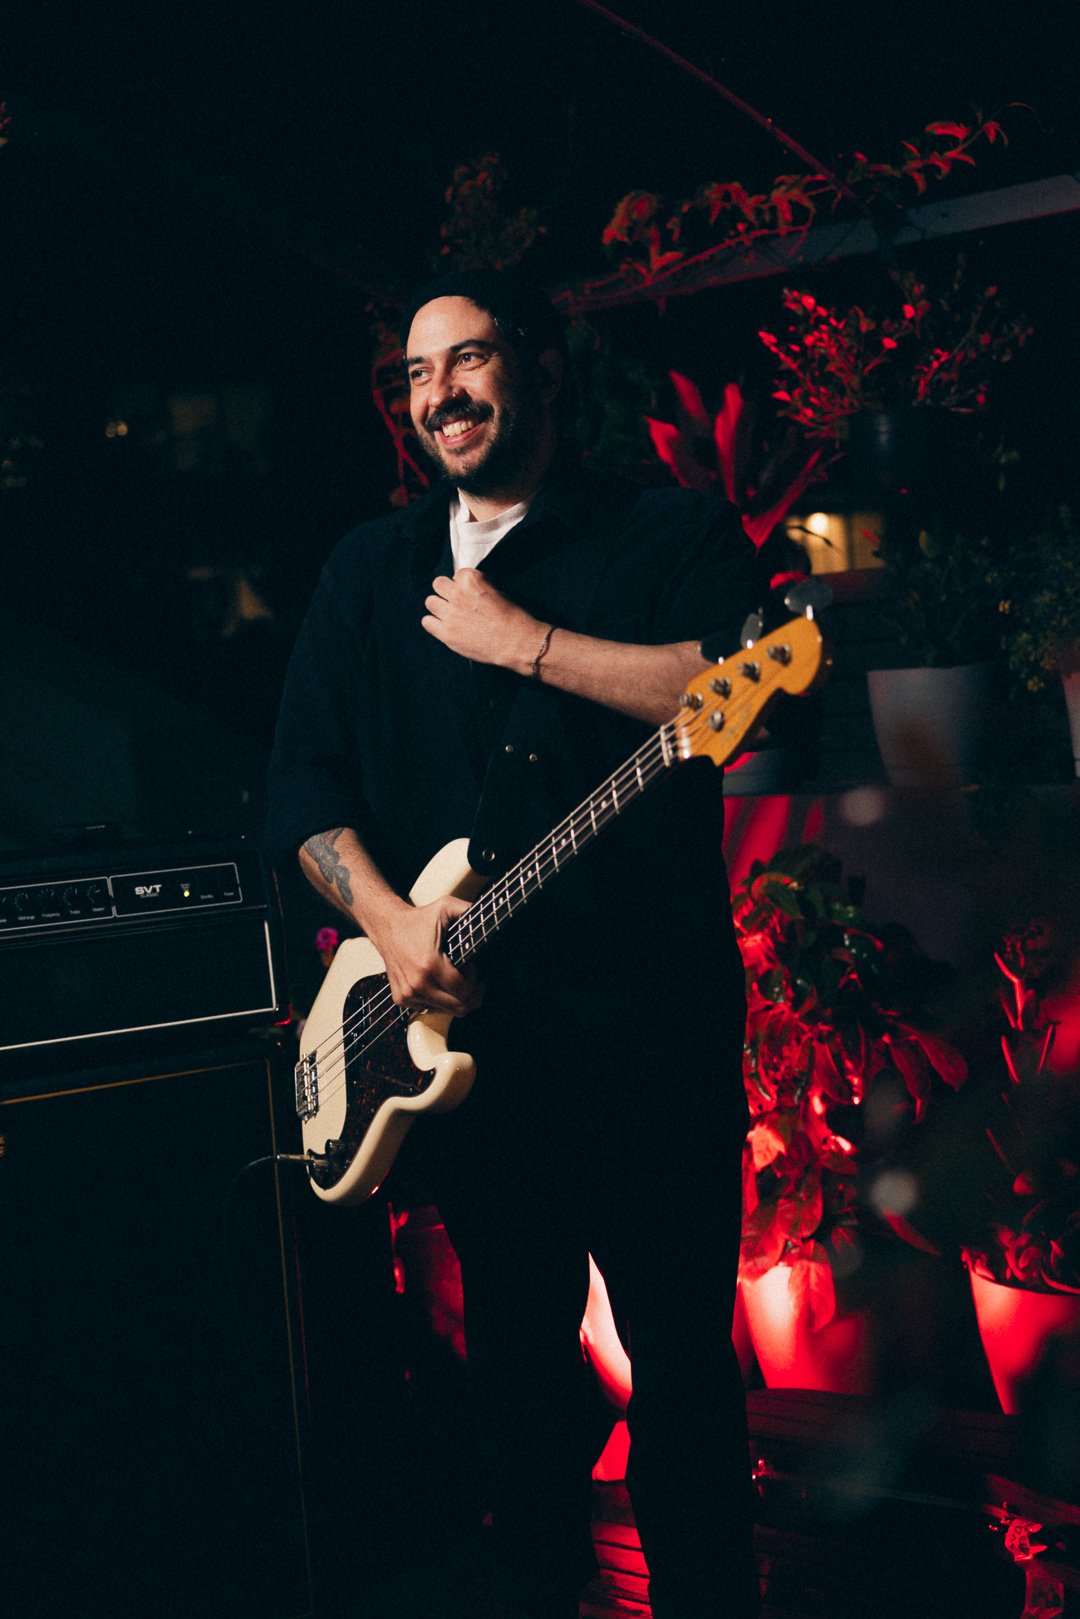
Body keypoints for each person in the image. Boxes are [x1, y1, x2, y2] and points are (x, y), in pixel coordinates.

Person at [265, 269, 763, 1619]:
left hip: (649, 1047)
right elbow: (304, 786)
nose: (443, 395)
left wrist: (526, 641)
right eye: (419, 376)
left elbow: (744, 690)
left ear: (537, 366)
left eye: (471, 359)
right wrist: (388, 917)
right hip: (477, 1065)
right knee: (521, 1403)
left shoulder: (664, 531)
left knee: (687, 1395)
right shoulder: (369, 573)